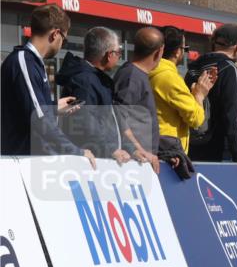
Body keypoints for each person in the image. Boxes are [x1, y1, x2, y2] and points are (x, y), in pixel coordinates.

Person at [1, 4, 95, 166]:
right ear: (55, 34)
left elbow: (29, 110)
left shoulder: (33, 62)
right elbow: (40, 120)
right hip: (22, 163)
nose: (61, 45)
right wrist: (76, 152)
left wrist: (53, 107)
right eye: (64, 40)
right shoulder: (24, 61)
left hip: (31, 162)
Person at [55, 26, 130, 163]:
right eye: (119, 52)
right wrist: (111, 149)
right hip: (90, 163)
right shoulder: (85, 80)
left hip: (101, 159)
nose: (119, 57)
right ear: (109, 55)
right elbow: (84, 122)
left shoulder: (95, 79)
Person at [186, 25, 237, 171]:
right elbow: (233, 115)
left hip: (190, 143)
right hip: (219, 147)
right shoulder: (230, 69)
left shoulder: (193, 68)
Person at [149, 26, 215, 171]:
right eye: (185, 49)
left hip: (155, 146)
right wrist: (199, 95)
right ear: (177, 51)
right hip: (169, 153)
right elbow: (196, 119)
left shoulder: (150, 70)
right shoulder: (170, 78)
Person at [112, 27, 164, 174]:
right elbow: (118, 116)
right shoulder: (132, 77)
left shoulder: (136, 74)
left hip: (142, 162)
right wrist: (138, 149)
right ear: (159, 51)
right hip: (133, 165)